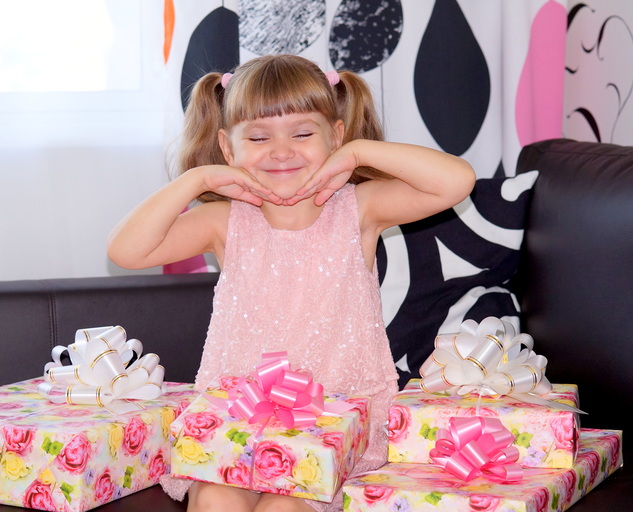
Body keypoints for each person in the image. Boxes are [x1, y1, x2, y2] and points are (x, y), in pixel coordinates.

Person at [107, 54, 476, 512]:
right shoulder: (223, 220)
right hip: (237, 420)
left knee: (284, 506)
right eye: (258, 138)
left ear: (335, 136)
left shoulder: (359, 209)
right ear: (228, 148)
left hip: (338, 425)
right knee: (216, 498)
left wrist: (358, 153)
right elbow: (125, 250)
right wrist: (197, 179)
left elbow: (457, 181)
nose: (281, 151)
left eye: (302, 134)